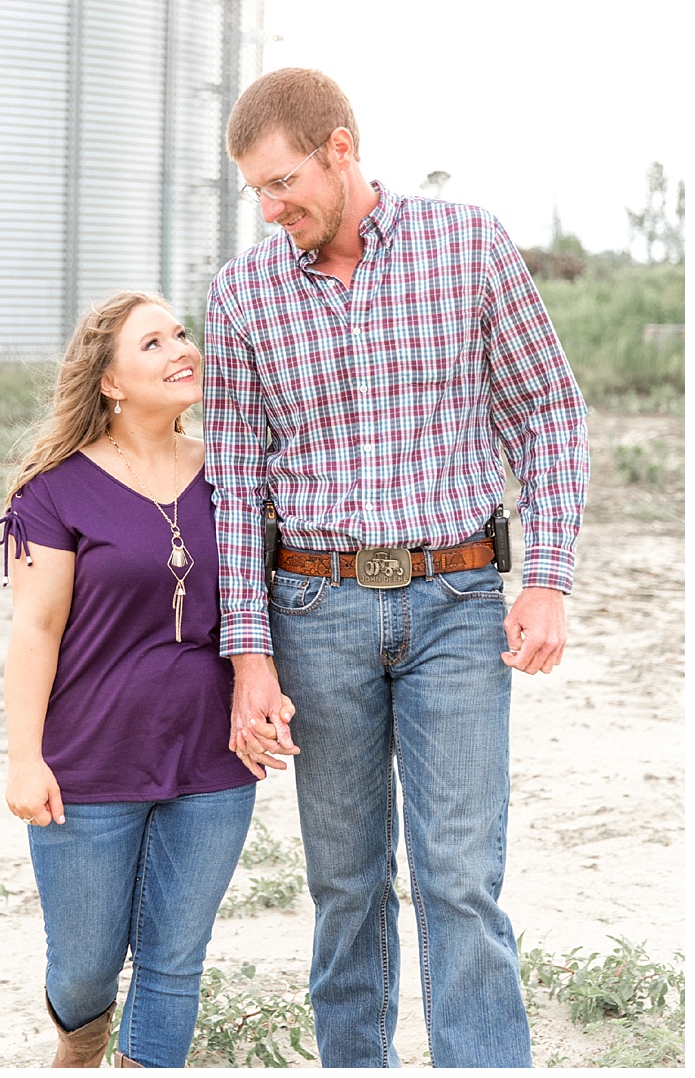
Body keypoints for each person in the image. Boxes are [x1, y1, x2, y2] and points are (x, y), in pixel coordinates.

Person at [205, 67, 589, 1068]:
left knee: (460, 880)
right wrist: (249, 657)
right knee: (345, 887)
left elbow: (547, 407)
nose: (270, 205)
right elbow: (237, 487)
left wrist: (545, 575)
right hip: (312, 610)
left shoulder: (468, 246)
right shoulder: (242, 294)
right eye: (255, 189)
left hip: (457, 603)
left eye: (283, 180)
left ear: (342, 148)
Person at [0, 291, 294, 1069]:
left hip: (213, 756)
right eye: (153, 344)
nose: (181, 351)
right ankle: (80, 1043)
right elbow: (35, 630)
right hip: (90, 760)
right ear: (111, 382)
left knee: (173, 959)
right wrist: (24, 758)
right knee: (87, 963)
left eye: (181, 335)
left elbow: (266, 604)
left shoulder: (234, 475)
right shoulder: (54, 491)